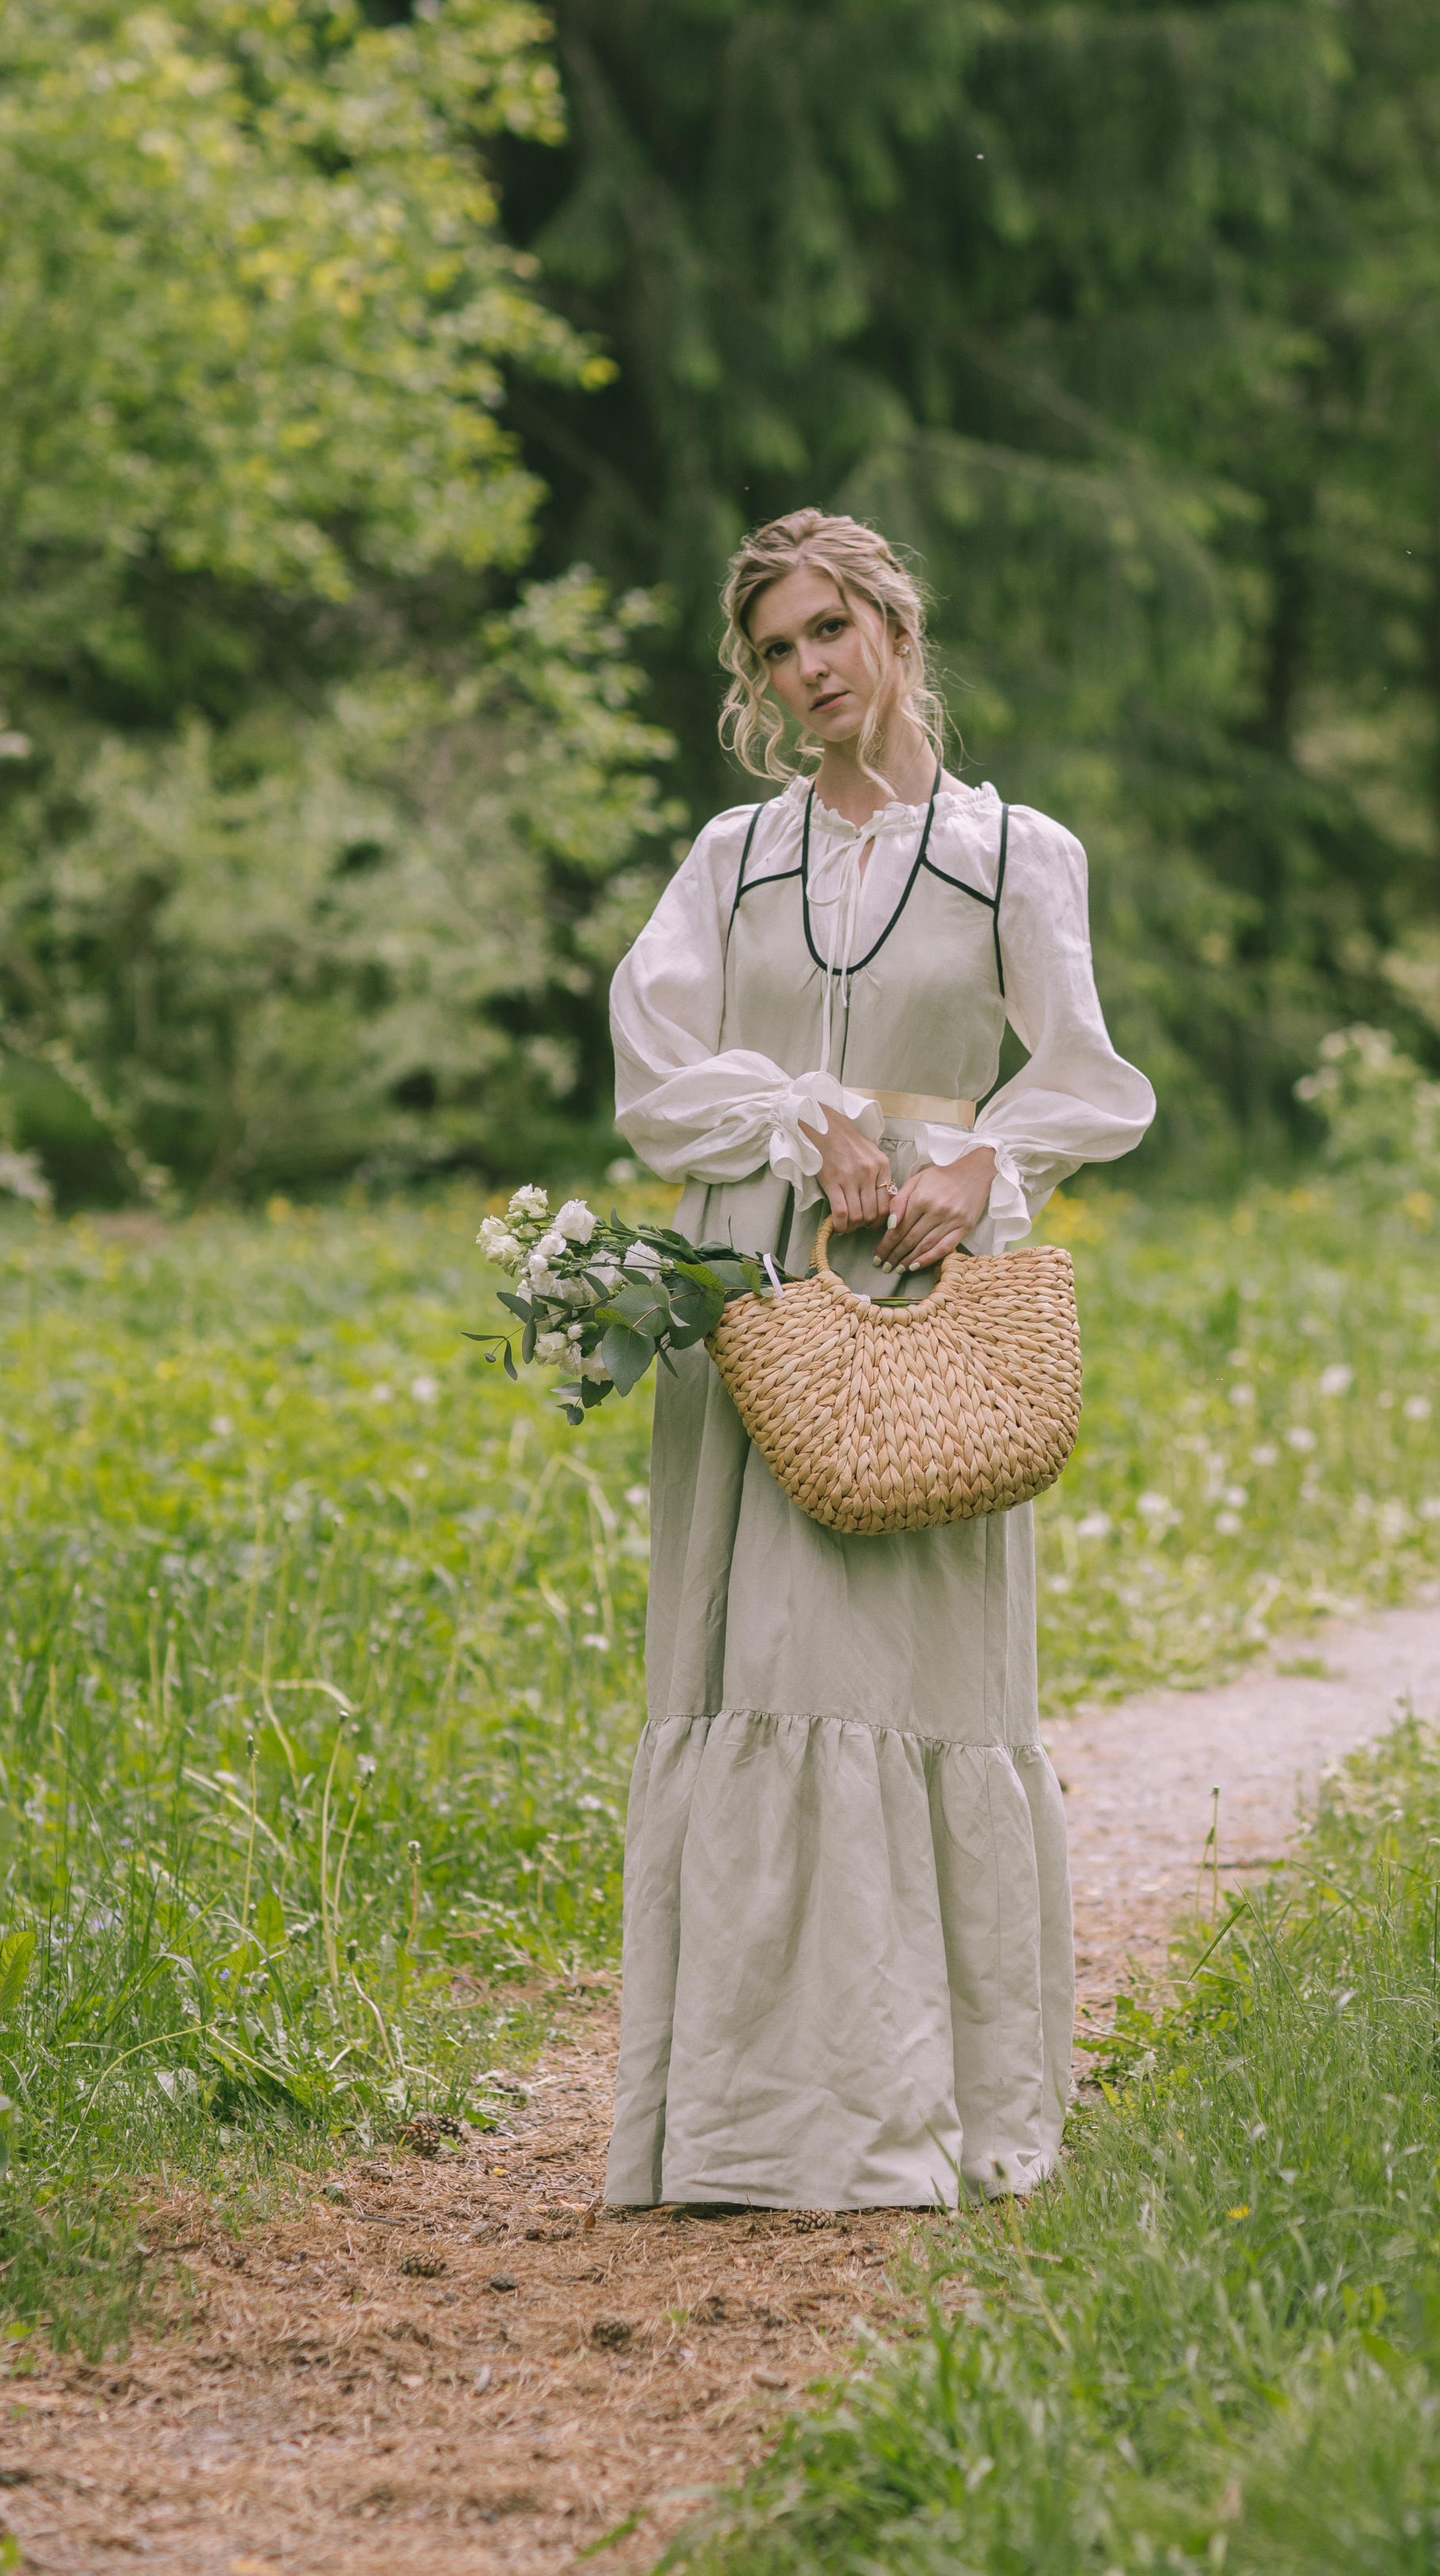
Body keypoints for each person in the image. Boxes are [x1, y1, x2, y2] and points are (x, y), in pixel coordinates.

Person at [604, 509, 1154, 2211]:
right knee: (751, 1651)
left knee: (897, 1668)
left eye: (827, 629)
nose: (804, 670)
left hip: (919, 1287)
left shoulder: (1013, 855)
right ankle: (744, 2126)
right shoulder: (731, 857)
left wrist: (983, 1161)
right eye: (773, 648)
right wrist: (795, 1115)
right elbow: (652, 1058)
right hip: (755, 1281)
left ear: (895, 631)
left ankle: (916, 2112)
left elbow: (1078, 1071)